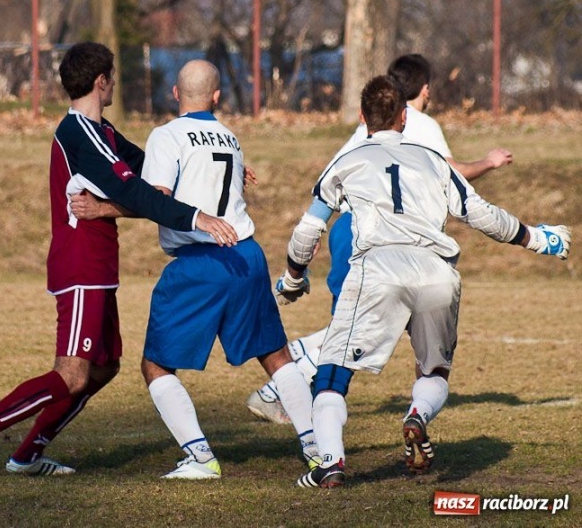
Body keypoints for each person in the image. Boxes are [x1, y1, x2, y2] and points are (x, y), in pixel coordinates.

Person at [0, 42, 238, 479]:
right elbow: (137, 192)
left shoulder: (104, 132)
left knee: (103, 367)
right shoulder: (78, 133)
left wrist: (214, 167)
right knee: (72, 374)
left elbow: (154, 171)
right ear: (101, 81)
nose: (114, 83)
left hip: (100, 267)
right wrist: (198, 217)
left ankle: (27, 455)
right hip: (80, 265)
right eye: (112, 76)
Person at [280, 75, 570, 488]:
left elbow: (309, 230)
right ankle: (417, 415)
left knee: (332, 372)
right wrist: (536, 238)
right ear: (404, 117)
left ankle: (330, 463)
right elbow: (482, 215)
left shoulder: (347, 161)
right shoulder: (434, 160)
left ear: (362, 117)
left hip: (378, 268)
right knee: (433, 370)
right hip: (436, 271)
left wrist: (293, 277)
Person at [246, 53, 515, 425]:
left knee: (364, 321)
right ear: (423, 89)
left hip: (352, 228)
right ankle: (290, 370)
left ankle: (296, 376)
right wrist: (489, 162)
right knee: (359, 326)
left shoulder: (370, 123)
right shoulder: (418, 123)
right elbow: (452, 174)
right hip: (375, 235)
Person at [127, 60, 318, 479]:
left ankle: (200, 458)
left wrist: (104, 209)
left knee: (155, 365)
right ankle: (316, 447)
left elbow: (156, 198)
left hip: (201, 261)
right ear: (217, 97)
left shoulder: (166, 135)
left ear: (175, 93)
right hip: (246, 256)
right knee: (276, 355)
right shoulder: (229, 136)